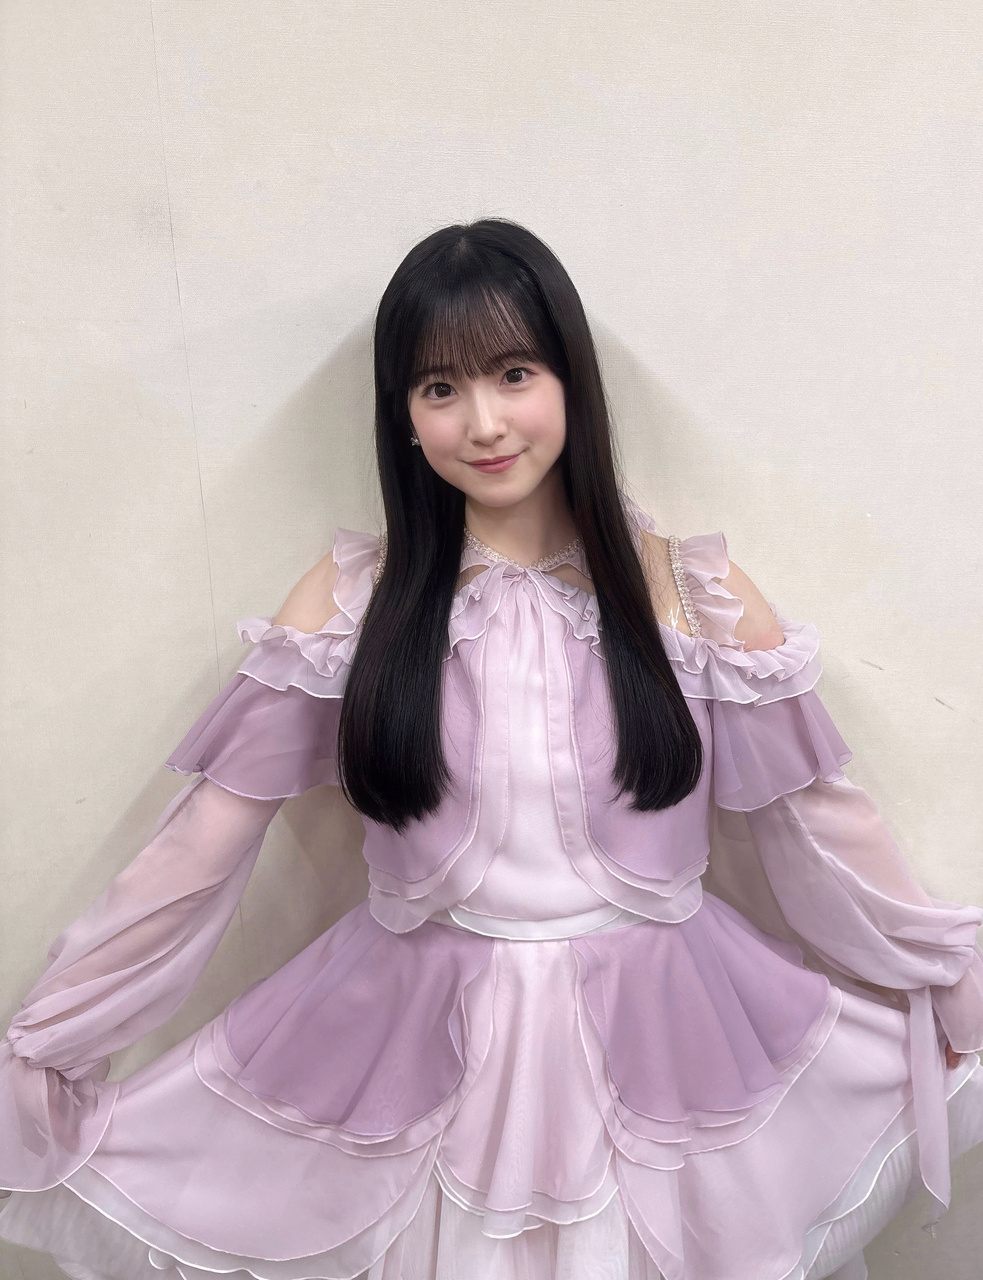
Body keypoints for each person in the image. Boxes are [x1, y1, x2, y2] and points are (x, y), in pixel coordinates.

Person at [1, 218, 981, 1280]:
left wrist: (944, 970)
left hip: (670, 1032)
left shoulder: (690, 597)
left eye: (513, 374)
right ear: (403, 414)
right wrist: (53, 1041)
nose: (483, 423)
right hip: (411, 1041)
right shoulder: (349, 605)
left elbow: (818, 831)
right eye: (439, 388)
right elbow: (200, 850)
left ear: (569, 379)